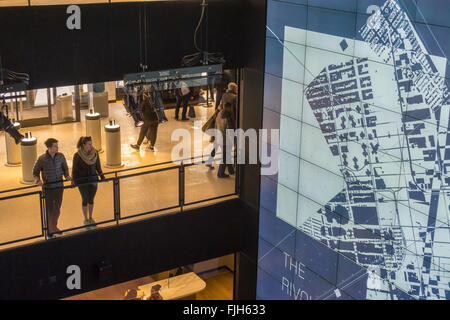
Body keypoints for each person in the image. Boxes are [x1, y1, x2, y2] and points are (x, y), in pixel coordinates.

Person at [32, 138, 71, 236]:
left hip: (59, 187)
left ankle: (54, 226)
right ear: (49, 147)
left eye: (57, 146)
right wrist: (38, 180)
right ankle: (50, 229)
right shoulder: (42, 159)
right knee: (49, 209)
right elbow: (35, 172)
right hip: (48, 188)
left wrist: (67, 175)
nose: (57, 148)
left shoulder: (61, 156)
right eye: (55, 146)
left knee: (57, 208)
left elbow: (65, 168)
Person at [72, 136, 105, 229]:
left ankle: (91, 217)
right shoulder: (77, 155)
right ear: (83, 145)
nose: (91, 146)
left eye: (91, 143)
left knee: (91, 199)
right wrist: (74, 182)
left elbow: (98, 166)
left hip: (93, 180)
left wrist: (102, 176)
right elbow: (74, 170)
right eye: (89, 144)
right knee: (85, 199)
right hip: (82, 182)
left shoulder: (95, 153)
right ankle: (86, 219)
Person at [215, 82, 238, 178]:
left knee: (227, 154)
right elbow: (229, 129)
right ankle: (220, 173)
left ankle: (231, 170)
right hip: (225, 139)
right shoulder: (228, 117)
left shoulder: (219, 114)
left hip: (219, 136)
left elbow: (216, 125)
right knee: (225, 155)